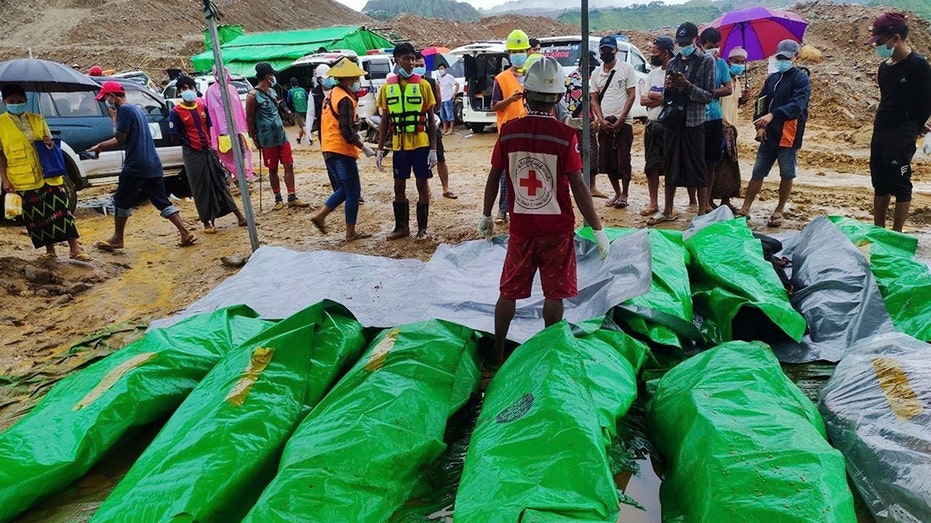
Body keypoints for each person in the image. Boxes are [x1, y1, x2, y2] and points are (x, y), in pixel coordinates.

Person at [478, 57, 610, 371]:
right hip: (557, 230)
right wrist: (599, 230)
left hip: (522, 228)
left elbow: (494, 176)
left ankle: (497, 352)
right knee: (554, 293)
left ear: (526, 95)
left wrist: (486, 214)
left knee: (508, 290)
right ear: (558, 98)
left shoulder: (509, 132)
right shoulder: (565, 137)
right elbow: (579, 187)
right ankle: (550, 349)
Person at [88, 81, 197, 250]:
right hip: (152, 163)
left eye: (106, 99)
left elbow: (120, 137)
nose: (106, 103)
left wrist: (106, 135)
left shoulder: (123, 111)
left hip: (136, 164)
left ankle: (117, 238)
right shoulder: (136, 109)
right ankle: (184, 232)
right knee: (161, 200)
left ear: (112, 96)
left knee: (121, 200)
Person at [0, 84, 89, 261]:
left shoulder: (37, 118)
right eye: (11, 101)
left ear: (25, 101)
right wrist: (5, 180)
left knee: (62, 211)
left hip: (48, 176)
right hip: (23, 178)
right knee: (37, 217)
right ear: (4, 102)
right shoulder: (1, 124)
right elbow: (1, 154)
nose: (16, 104)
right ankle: (50, 251)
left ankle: (75, 249)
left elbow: (50, 146)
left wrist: (49, 143)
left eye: (19, 101)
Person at [864, 12, 931, 232]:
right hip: (881, 129)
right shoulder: (884, 68)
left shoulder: (918, 65)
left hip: (902, 132)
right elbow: (887, 98)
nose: (878, 46)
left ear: (895, 37)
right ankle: (879, 230)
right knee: (880, 182)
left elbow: (925, 102)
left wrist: (916, 125)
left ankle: (897, 233)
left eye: (881, 41)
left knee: (900, 182)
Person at [735, 39, 811, 228]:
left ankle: (779, 210)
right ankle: (745, 208)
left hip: (788, 133)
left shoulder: (801, 79)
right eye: (780, 57)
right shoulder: (772, 79)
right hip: (768, 135)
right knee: (758, 172)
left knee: (786, 173)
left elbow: (797, 106)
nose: (782, 60)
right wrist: (759, 125)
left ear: (796, 58)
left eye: (787, 57)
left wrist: (773, 115)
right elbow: (761, 102)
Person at [648, 22, 715, 226]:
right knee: (671, 165)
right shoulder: (674, 63)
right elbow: (667, 97)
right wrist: (669, 87)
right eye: (680, 43)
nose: (683, 46)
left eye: (686, 42)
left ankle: (702, 211)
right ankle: (668, 210)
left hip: (694, 122)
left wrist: (687, 86)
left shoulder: (706, 61)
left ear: (696, 40)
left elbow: (708, 95)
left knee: (697, 166)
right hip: (673, 122)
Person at [168, 75, 247, 233]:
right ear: (179, 92)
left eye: (190, 87)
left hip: (208, 151)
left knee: (220, 183)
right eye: (184, 89)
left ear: (195, 89)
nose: (188, 91)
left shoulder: (202, 108)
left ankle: (239, 216)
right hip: (192, 154)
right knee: (200, 187)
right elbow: (174, 136)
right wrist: (190, 143)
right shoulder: (176, 112)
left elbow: (209, 127)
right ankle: (207, 222)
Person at [375, 43, 438, 240]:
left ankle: (422, 229)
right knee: (398, 187)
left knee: (421, 184)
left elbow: (431, 120)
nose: (411, 63)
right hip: (398, 146)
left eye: (412, 59)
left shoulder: (423, 85)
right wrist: (379, 149)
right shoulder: (387, 87)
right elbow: (385, 119)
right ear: (396, 60)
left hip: (420, 144)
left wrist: (433, 149)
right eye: (406, 59)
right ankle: (401, 227)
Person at [310, 58, 374, 241]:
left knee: (345, 190)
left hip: (329, 148)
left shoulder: (331, 94)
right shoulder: (344, 99)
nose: (357, 82)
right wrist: (363, 146)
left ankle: (321, 216)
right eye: (355, 78)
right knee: (353, 191)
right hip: (340, 149)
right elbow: (345, 131)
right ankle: (349, 232)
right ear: (346, 79)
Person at [245, 62, 309, 210]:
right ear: (268, 76)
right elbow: (249, 119)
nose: (273, 77)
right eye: (272, 75)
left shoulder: (272, 92)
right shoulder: (252, 96)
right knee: (272, 168)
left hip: (282, 136)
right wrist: (254, 138)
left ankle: (292, 196)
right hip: (267, 139)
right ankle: (278, 199)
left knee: (289, 165)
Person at [591, 34, 638, 209]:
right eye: (603, 50)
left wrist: (622, 119)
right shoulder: (596, 73)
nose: (606, 53)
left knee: (623, 159)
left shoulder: (626, 69)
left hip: (623, 123)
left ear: (616, 50)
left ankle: (625, 194)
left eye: (609, 50)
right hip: (605, 123)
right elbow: (594, 99)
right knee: (607, 160)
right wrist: (601, 120)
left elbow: (632, 95)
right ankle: (616, 193)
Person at [490, 29, 531, 224]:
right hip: (508, 132)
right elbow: (494, 105)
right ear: (509, 54)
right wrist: (510, 99)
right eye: (514, 52)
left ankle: (526, 209)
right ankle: (503, 210)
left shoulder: (533, 74)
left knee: (529, 172)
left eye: (521, 51)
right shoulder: (501, 78)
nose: (518, 55)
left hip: (531, 130)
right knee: (506, 174)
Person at [697, 27, 733, 215]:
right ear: (701, 44)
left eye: (717, 46)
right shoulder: (696, 63)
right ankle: (698, 202)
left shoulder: (721, 65)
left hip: (714, 117)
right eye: (711, 46)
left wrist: (709, 93)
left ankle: (706, 201)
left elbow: (728, 88)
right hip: (696, 118)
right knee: (697, 162)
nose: (714, 49)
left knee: (711, 162)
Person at [638, 36, 675, 217]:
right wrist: (663, 99)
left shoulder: (676, 72)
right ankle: (654, 203)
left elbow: (674, 100)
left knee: (671, 167)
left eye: (654, 52)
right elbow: (643, 99)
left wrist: (657, 98)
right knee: (651, 165)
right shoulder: (653, 74)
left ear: (665, 53)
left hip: (670, 126)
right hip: (652, 125)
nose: (652, 55)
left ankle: (670, 206)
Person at [414, 53, 457, 199]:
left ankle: (445, 188)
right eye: (416, 66)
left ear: (425, 66)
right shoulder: (409, 84)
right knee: (420, 159)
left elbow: (437, 106)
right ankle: (425, 188)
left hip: (431, 125)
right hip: (416, 128)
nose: (419, 68)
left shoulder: (433, 83)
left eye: (421, 66)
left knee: (440, 157)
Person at [713, 46, 750, 212]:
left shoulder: (737, 82)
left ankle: (725, 200)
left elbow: (734, 103)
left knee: (730, 166)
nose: (739, 65)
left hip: (731, 127)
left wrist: (743, 100)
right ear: (729, 61)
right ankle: (709, 199)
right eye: (736, 62)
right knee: (716, 165)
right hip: (719, 125)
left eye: (742, 62)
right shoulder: (723, 79)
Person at [205, 65, 254, 184]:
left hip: (238, 129)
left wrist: (245, 127)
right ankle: (230, 178)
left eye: (224, 72)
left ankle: (240, 176)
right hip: (222, 132)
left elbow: (239, 111)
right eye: (219, 72)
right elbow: (210, 113)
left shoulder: (232, 89)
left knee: (241, 153)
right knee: (225, 156)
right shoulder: (210, 92)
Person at [563, 51, 601, 196]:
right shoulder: (577, 80)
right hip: (579, 121)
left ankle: (588, 187)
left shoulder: (577, 78)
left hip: (580, 121)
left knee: (587, 154)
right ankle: (588, 187)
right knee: (584, 154)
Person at [436, 62, 459, 136]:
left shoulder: (449, 77)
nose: (441, 70)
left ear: (445, 69)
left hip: (448, 98)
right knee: (443, 115)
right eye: (439, 69)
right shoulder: (438, 78)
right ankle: (445, 129)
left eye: (442, 68)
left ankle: (451, 129)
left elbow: (457, 84)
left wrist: (454, 94)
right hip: (441, 99)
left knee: (449, 114)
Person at [286, 77, 309, 145]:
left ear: (291, 84)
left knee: (302, 125)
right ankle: (298, 139)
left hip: (298, 110)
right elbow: (307, 97)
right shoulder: (303, 90)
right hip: (306, 108)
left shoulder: (290, 91)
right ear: (298, 83)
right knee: (302, 125)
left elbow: (288, 101)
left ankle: (310, 138)